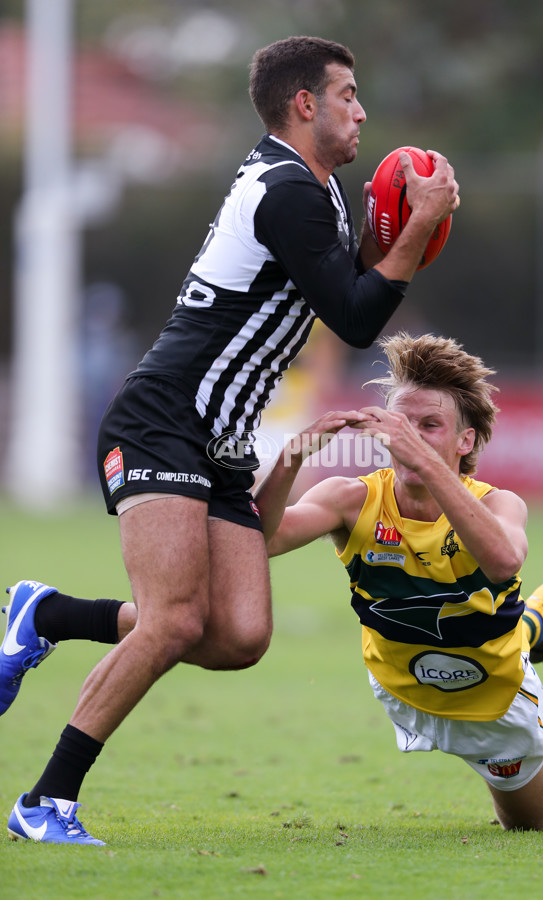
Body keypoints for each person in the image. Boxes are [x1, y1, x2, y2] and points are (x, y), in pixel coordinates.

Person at [0, 37, 459, 845]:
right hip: (165, 415)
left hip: (220, 440)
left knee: (238, 636)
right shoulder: (287, 190)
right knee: (175, 621)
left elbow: (353, 288)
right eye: (348, 94)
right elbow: (355, 321)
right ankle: (46, 801)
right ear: (303, 104)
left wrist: (410, 223)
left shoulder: (320, 190)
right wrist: (418, 228)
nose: (361, 111)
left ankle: (48, 613)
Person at [252, 332, 543, 830]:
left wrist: (424, 462)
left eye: (430, 425)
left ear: (466, 440)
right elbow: (263, 540)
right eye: (402, 423)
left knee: (538, 820)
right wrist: (293, 456)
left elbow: (503, 561)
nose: (408, 436)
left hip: (492, 700)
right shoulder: (350, 499)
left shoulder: (498, 504)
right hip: (402, 688)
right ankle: (532, 623)